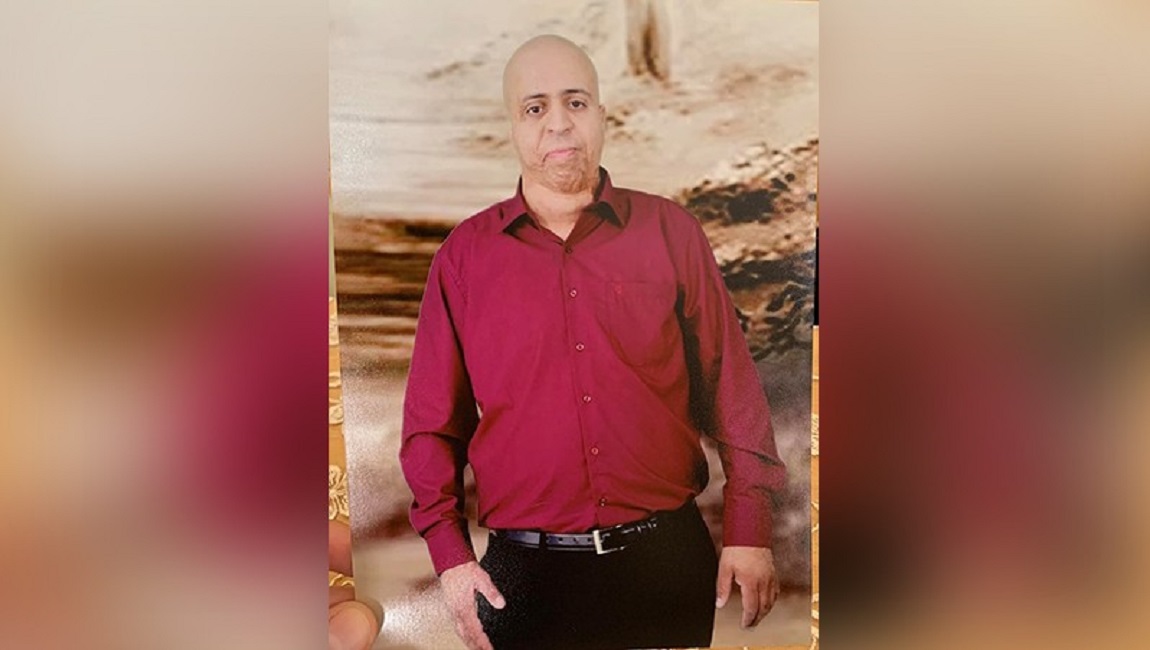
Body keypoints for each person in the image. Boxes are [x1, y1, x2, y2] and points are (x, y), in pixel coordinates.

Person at [400, 34, 786, 650]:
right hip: (522, 579)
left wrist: (749, 528)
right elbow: (431, 426)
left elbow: (730, 389)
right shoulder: (464, 258)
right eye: (535, 107)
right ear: (513, 126)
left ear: (602, 115)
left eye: (575, 102)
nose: (559, 123)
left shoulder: (671, 232)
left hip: (664, 565)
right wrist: (450, 557)